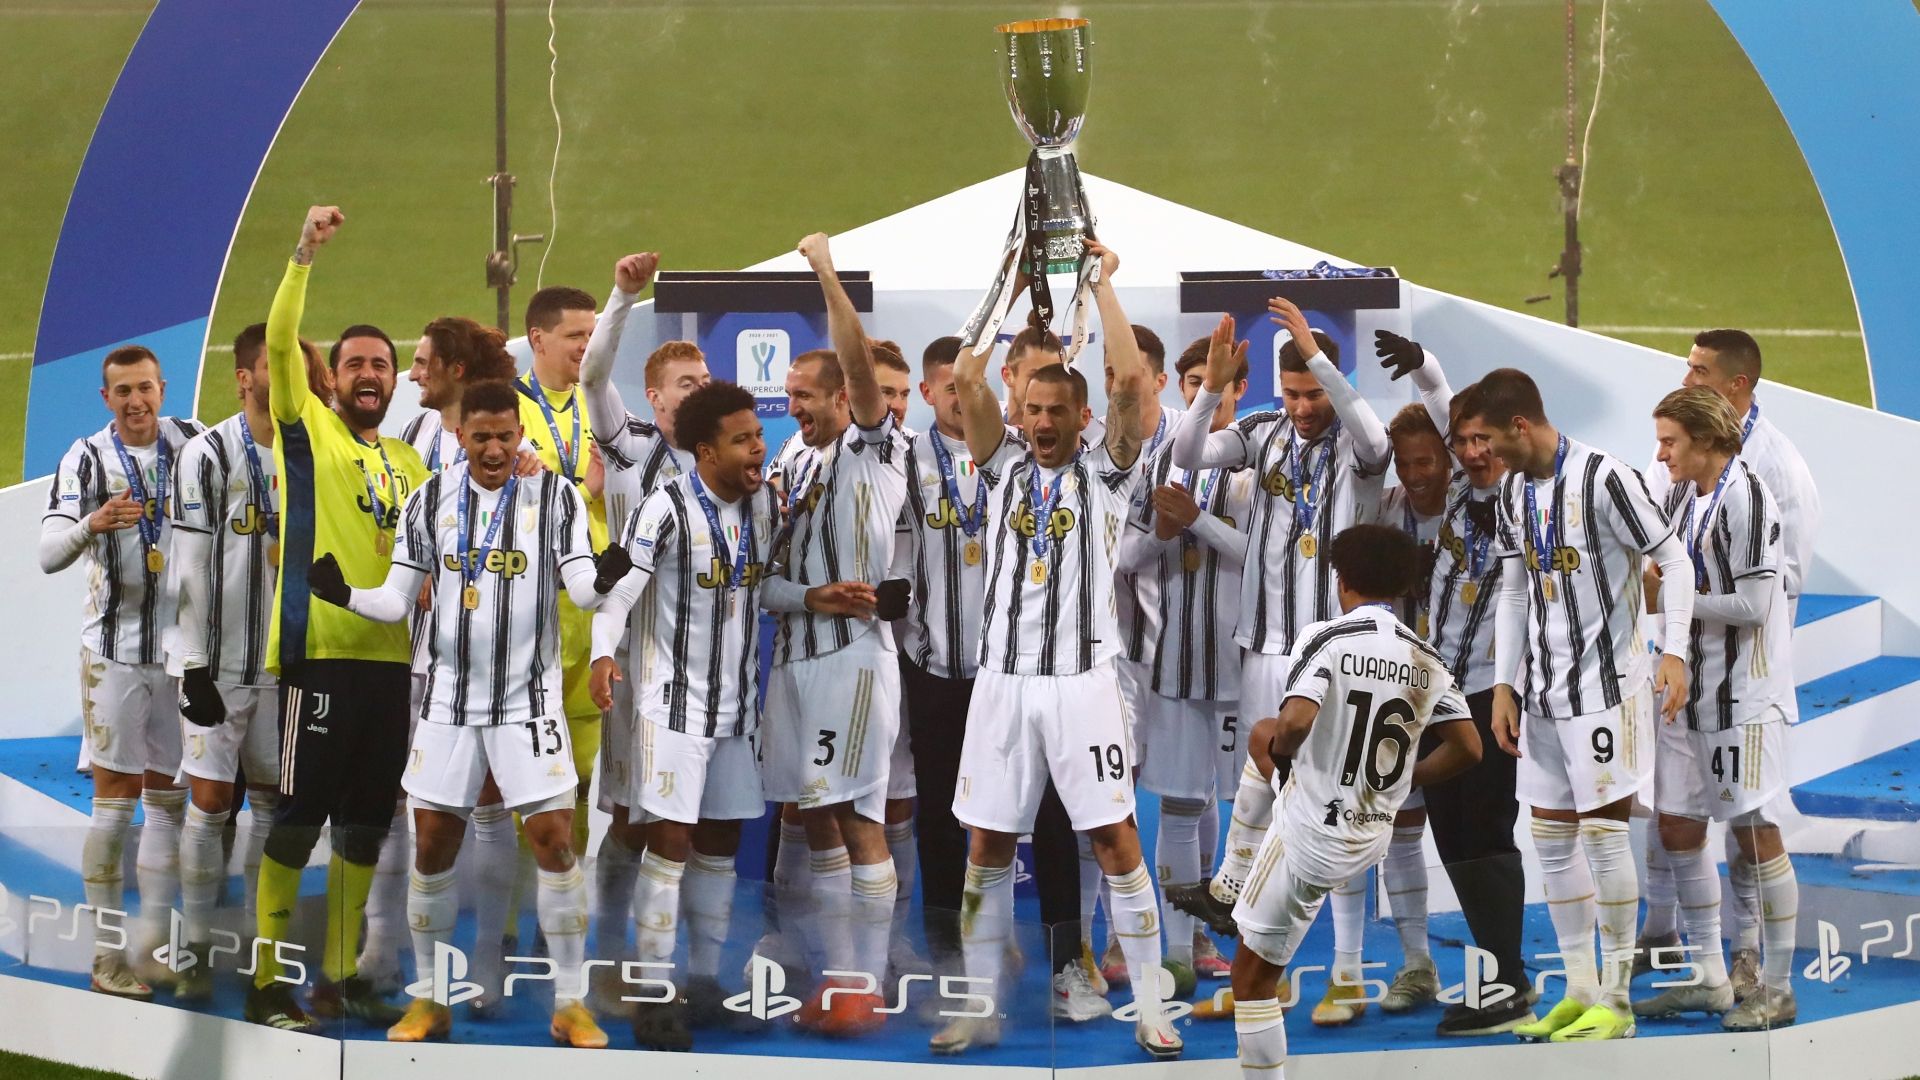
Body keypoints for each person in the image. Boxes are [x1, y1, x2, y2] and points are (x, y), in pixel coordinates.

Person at [305, 377, 625, 1048]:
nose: (494, 449)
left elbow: (580, 591)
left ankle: (570, 1004)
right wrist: (345, 595)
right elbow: (397, 600)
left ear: (519, 434)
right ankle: (429, 1000)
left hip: (527, 701)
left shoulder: (557, 498)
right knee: (431, 845)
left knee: (555, 842)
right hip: (448, 703)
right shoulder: (429, 501)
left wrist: (607, 573)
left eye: (506, 436)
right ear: (460, 436)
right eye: (481, 436)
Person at [936, 241, 1182, 1060]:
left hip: (1083, 684)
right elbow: (967, 377)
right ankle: (978, 1005)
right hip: (1001, 684)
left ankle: (1150, 1006)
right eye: (1032, 409)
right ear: (1019, 413)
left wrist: (1104, 284)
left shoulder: (1110, 472)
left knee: (1115, 841)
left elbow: (1133, 385)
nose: (1041, 423)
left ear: (1081, 418)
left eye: (1056, 411)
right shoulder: (997, 461)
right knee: (987, 846)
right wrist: (1006, 282)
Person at [1167, 304, 1391, 1027]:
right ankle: (1266, 977)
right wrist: (1213, 389)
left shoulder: (1356, 446)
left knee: (1331, 812)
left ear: (1332, 385)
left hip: (1333, 657)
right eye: (1291, 393)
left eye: (1313, 394)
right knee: (1263, 820)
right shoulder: (1261, 431)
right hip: (1263, 652)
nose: (1301, 409)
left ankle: (1350, 973)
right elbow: (1186, 456)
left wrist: (1316, 358)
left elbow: (1377, 438)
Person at [1464, 367, 1696, 1043]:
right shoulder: (1511, 491)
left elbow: (1673, 561)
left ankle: (1617, 1001)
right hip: (1541, 695)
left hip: (1606, 691)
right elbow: (1512, 590)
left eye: (1490, 442)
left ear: (1522, 425)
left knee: (1601, 836)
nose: (1483, 457)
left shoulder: (1606, 478)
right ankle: (1580, 988)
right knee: (1551, 839)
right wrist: (1504, 684)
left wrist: (1672, 650)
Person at [244, 206, 428, 1031]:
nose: (367, 374)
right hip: (319, 658)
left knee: (365, 826)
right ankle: (266, 979)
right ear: (336, 376)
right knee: (298, 819)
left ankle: (341, 974)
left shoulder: (412, 460)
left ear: (393, 381)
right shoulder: (308, 429)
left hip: (393, 669)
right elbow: (281, 343)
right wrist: (304, 253)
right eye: (355, 362)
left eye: (381, 365)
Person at [1226, 524, 1483, 1080]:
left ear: (1342, 581)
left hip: (1312, 836)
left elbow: (1295, 721)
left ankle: (1229, 879)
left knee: (1249, 981)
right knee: (1260, 738)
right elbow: (1469, 747)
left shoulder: (1326, 636)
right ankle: (1231, 885)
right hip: (1372, 831)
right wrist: (1404, 780)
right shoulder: (1425, 657)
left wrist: (1287, 756)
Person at [589, 380, 787, 1049]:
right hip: (669, 707)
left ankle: (702, 981)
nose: (758, 449)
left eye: (758, 436)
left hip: (736, 711)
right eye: (743, 440)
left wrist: (821, 596)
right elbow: (619, 594)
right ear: (705, 450)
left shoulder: (765, 509)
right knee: (669, 844)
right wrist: (601, 656)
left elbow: (766, 585)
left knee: (720, 845)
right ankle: (652, 991)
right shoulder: (664, 509)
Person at [1636, 329, 1819, 1000]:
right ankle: (1710, 976)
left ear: (1705, 441)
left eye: (1669, 444)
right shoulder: (1689, 493)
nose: (1659, 456)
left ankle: (1773, 983)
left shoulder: (1750, 497)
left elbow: (1756, 604)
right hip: (1687, 687)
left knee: (1755, 831)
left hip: (1740, 697)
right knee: (1679, 822)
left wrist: (1673, 599)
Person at [759, 232, 909, 1035]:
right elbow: (766, 586)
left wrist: (824, 271)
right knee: (815, 817)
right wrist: (808, 596)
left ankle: (863, 983)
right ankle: (836, 976)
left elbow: (855, 362)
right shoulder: (792, 461)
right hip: (796, 660)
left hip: (852, 665)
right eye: (788, 395)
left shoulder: (872, 451)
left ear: (844, 398)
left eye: (806, 394)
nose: (795, 406)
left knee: (857, 821)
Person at [1370, 331, 1535, 1036]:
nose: (1469, 452)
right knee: (1454, 831)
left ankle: (1509, 978)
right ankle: (1498, 974)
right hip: (1437, 689)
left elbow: (1446, 412)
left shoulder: (1516, 496)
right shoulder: (1460, 499)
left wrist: (1429, 371)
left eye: (1481, 441)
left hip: (1488, 690)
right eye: (1462, 442)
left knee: (1487, 826)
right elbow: (1447, 421)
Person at [170, 325, 329, 1001]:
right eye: (274, 362)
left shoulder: (312, 450)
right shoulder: (208, 454)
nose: (287, 370)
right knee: (209, 803)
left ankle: (267, 954)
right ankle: (194, 946)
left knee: (272, 805)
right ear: (244, 377)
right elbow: (186, 566)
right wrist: (191, 663)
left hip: (287, 667)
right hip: (223, 664)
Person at [41, 344, 204, 998]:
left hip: (180, 656)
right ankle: (107, 958)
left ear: (162, 388)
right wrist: (95, 522)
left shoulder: (192, 443)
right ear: (105, 399)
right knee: (114, 807)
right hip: (113, 654)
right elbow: (49, 553)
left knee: (168, 803)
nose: (136, 401)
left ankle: (153, 947)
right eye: (123, 392)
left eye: (145, 388)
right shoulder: (85, 458)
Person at [573, 251, 710, 1006]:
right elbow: (592, 376)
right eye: (685, 384)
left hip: (704, 669)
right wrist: (623, 296)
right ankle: (612, 960)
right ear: (654, 399)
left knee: (688, 824)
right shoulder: (629, 447)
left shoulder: (724, 461)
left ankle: (674, 967)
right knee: (630, 815)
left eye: (704, 381)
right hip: (633, 660)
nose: (699, 392)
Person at [372, 314, 522, 997]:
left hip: (498, 661)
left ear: (456, 371)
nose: (410, 374)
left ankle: (490, 957)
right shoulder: (412, 436)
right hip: (424, 658)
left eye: (422, 361)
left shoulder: (516, 450)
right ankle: (388, 948)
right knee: (413, 799)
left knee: (490, 804)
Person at [1116, 331, 1255, 1003]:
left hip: (1242, 665)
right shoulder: (1158, 465)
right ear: (1182, 388)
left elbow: (1268, 560)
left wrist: (1196, 522)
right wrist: (1162, 534)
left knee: (1242, 810)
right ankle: (1176, 953)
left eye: (1224, 384)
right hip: (1172, 665)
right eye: (1199, 383)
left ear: (1244, 390)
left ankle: (1246, 945)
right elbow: (1121, 561)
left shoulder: (1262, 466)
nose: (1212, 394)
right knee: (1177, 806)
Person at [516, 283, 612, 854]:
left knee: (581, 767)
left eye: (592, 334)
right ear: (537, 338)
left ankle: (566, 899)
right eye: (575, 335)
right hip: (534, 614)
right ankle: (510, 920)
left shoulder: (601, 405)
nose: (587, 345)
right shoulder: (510, 409)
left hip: (592, 609)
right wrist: (586, 488)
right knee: (529, 770)